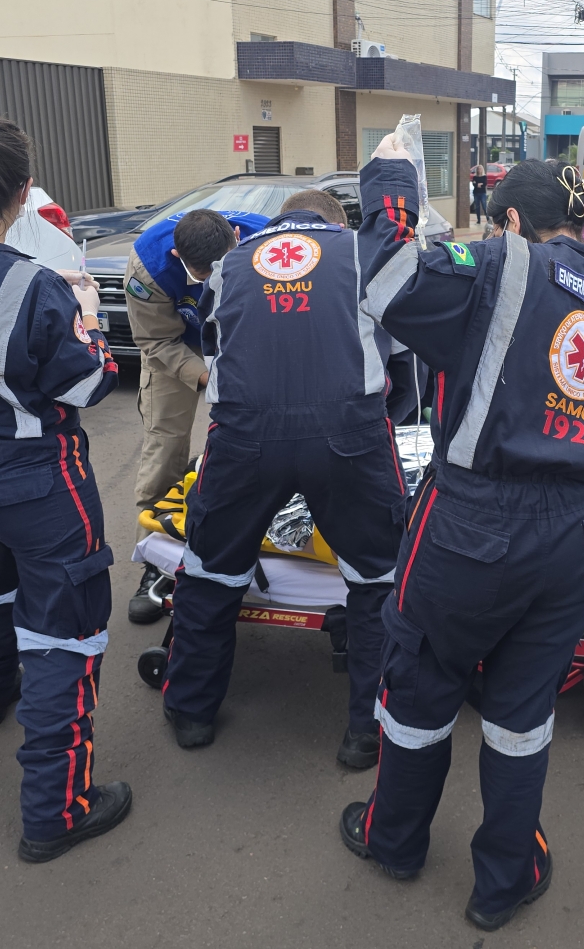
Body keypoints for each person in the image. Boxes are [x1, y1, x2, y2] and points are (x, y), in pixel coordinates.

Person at [339, 144, 584, 930]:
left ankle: (397, 842)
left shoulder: (500, 263)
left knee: (419, 684)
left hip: (475, 527)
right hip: (577, 535)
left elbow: (383, 278)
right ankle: (501, 882)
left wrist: (390, 180)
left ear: (513, 221)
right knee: (522, 712)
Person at [159, 189, 407, 771]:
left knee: (211, 570)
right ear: (334, 222)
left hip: (244, 437)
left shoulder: (229, 265)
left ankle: (192, 711)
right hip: (347, 433)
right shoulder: (362, 253)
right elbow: (399, 361)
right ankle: (367, 731)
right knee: (379, 579)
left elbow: (215, 349)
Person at [0, 111, 129, 861]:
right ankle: (55, 811)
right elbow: (90, 385)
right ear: (25, 192)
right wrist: (87, 318)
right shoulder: (35, 284)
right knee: (64, 631)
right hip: (37, 479)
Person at [125, 205, 269, 623]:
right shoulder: (148, 267)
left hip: (244, 340)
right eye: (203, 276)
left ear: (237, 242)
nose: (213, 282)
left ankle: (260, 541)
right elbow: (154, 341)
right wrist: (206, 377)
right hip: (177, 347)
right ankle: (155, 560)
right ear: (177, 258)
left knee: (266, 437)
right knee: (165, 446)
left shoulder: (269, 240)